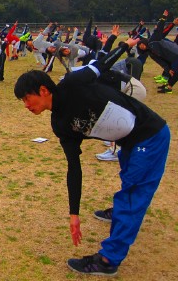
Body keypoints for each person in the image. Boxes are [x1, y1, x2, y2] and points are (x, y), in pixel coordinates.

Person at [14, 38, 170, 276]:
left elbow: (101, 64)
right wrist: (74, 214)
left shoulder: (72, 84)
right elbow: (74, 168)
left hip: (150, 135)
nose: (26, 105)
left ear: (43, 91)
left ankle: (108, 260)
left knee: (132, 197)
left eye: (27, 99)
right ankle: (120, 212)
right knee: (128, 184)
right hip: (129, 141)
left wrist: (124, 45)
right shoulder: (60, 124)